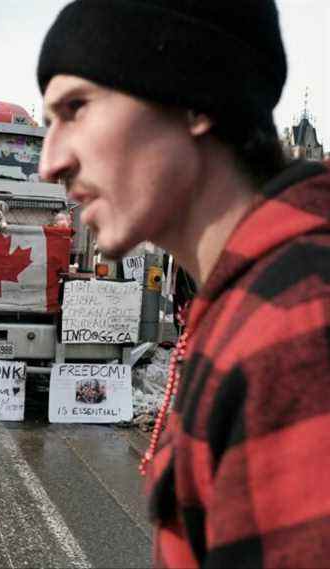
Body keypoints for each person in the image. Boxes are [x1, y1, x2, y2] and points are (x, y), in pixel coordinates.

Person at [37, 1, 330, 567]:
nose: (51, 161)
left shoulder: (295, 333)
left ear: (196, 99)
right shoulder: (249, 299)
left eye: (77, 107)